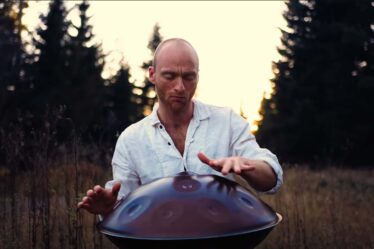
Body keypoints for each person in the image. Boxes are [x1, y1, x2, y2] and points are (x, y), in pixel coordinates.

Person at [77, 38, 283, 216]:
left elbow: (271, 180)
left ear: (198, 76)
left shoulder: (227, 122)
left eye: (188, 77)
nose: (180, 87)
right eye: (170, 76)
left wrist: (247, 165)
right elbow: (125, 210)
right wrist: (107, 208)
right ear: (152, 75)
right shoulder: (131, 139)